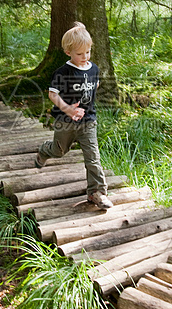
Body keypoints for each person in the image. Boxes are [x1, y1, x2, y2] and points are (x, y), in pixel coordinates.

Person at [35, 22, 114, 210]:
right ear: (68, 52)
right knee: (59, 151)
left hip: (88, 121)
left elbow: (94, 86)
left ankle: (97, 193)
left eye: (88, 52)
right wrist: (68, 109)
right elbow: (53, 94)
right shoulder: (63, 72)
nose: (85, 57)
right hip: (65, 122)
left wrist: (86, 105)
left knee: (92, 157)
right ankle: (44, 151)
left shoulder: (93, 69)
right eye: (80, 54)